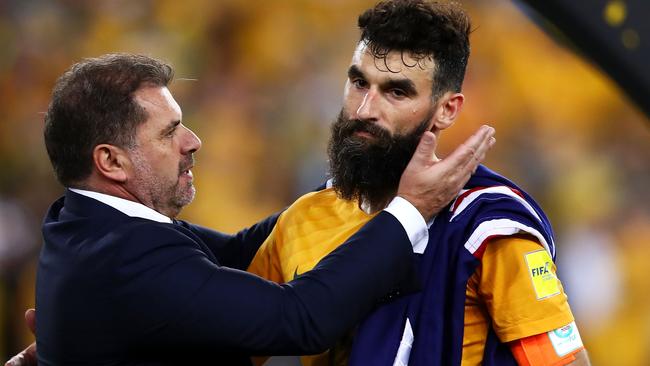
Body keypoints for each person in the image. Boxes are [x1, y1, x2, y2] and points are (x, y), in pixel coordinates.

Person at [5, 53, 494, 366]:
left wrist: (355, 186)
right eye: (168, 132)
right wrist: (409, 209)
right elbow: (301, 317)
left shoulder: (88, 226)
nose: (193, 142)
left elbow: (243, 252)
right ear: (110, 161)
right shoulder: (126, 260)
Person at [247, 1, 590, 365]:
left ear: (447, 110)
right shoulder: (302, 219)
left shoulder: (487, 230)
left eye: (397, 92)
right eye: (359, 82)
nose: (365, 110)